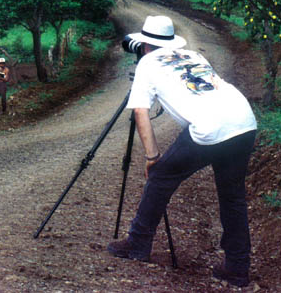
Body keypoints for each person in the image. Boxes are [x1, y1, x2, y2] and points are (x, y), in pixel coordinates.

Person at [107, 15, 258, 287]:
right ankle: (237, 268)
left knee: (161, 176)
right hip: (244, 122)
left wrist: (153, 158)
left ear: (145, 46)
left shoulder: (148, 63)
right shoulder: (193, 56)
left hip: (211, 128)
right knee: (232, 196)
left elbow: (140, 111)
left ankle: (138, 244)